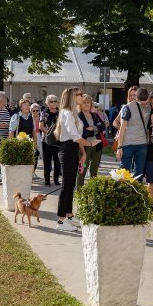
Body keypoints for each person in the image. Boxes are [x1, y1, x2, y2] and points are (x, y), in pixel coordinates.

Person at [55, 87, 88, 232]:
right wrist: (90, 143)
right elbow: (75, 135)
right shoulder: (67, 113)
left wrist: (83, 152)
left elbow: (78, 136)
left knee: (70, 186)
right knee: (66, 186)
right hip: (67, 149)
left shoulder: (73, 113)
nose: (82, 96)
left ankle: (68, 215)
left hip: (73, 149)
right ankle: (61, 221)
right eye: (79, 94)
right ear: (73, 97)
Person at [116, 87, 151, 179]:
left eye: (146, 101)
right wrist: (119, 147)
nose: (144, 104)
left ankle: (137, 192)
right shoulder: (127, 108)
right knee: (124, 172)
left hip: (142, 144)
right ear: (137, 99)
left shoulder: (150, 106)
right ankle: (123, 191)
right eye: (141, 102)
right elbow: (122, 128)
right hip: (128, 143)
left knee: (139, 173)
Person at [76, 94, 106, 188]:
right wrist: (95, 130)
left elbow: (103, 126)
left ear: (91, 104)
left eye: (88, 102)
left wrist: (92, 128)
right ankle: (80, 191)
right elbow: (83, 133)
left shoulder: (95, 115)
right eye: (84, 102)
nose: (86, 104)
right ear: (80, 104)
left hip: (96, 145)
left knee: (94, 169)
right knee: (83, 168)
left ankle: (93, 190)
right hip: (84, 146)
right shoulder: (78, 116)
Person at [39, 94, 62, 186]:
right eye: (51, 101)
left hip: (58, 140)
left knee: (57, 160)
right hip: (46, 140)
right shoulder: (44, 112)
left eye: (55, 101)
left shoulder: (60, 113)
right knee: (47, 160)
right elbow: (41, 126)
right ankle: (47, 180)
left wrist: (57, 135)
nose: (53, 103)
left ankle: (56, 180)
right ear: (47, 103)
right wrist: (49, 134)